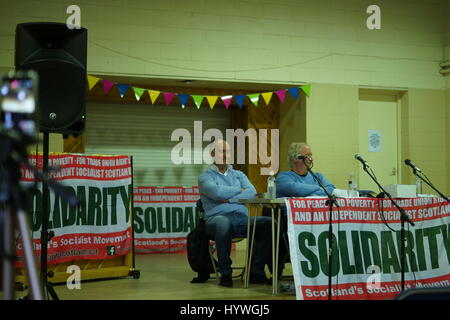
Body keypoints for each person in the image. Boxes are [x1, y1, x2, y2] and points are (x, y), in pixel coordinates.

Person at [198, 139, 272, 287]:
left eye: (228, 152)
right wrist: (239, 192)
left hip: (240, 218)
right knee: (223, 224)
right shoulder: (205, 177)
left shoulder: (239, 175)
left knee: (269, 224)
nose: (226, 155)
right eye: (222, 151)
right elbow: (216, 192)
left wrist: (229, 200)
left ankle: (255, 271)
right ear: (212, 154)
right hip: (215, 219)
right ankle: (225, 273)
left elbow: (251, 193)